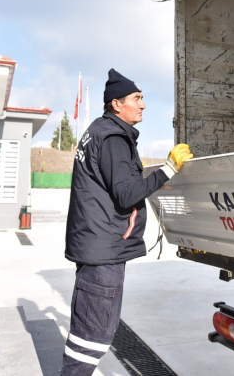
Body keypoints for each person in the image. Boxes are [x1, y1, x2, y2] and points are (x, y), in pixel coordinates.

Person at [60, 69, 192, 376]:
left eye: (142, 98)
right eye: (137, 98)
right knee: (93, 337)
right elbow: (126, 193)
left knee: (85, 334)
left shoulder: (98, 130)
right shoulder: (113, 138)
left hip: (94, 245)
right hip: (103, 251)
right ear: (117, 104)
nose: (143, 105)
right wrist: (168, 170)